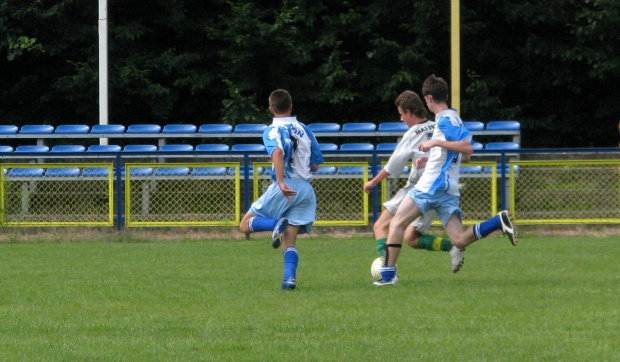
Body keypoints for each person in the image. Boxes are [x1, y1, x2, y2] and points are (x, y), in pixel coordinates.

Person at [374, 74, 517, 286]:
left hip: (431, 185)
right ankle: (497, 222)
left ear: (429, 98)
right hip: (448, 188)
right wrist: (435, 154)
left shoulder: (444, 119)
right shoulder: (456, 118)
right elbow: (465, 155)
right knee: (459, 239)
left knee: (396, 223)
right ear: (447, 95)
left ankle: (387, 277)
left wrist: (435, 144)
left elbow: (468, 148)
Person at [364, 90, 465, 273]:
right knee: (411, 238)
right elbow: (461, 152)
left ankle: (385, 268)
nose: (401, 119)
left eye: (402, 114)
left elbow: (394, 165)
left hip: (419, 189)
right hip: (441, 188)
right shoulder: (438, 125)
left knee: (381, 225)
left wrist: (373, 182)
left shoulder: (414, 132)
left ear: (409, 112)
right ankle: (452, 246)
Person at [239, 89, 324, 290]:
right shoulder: (305, 129)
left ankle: (276, 223)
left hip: (285, 185)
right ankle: (289, 280)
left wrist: (280, 181)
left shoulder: (272, 130)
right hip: (305, 189)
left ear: (270, 109)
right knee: (289, 240)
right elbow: (315, 165)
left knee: (245, 224)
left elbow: (277, 151)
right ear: (291, 106)